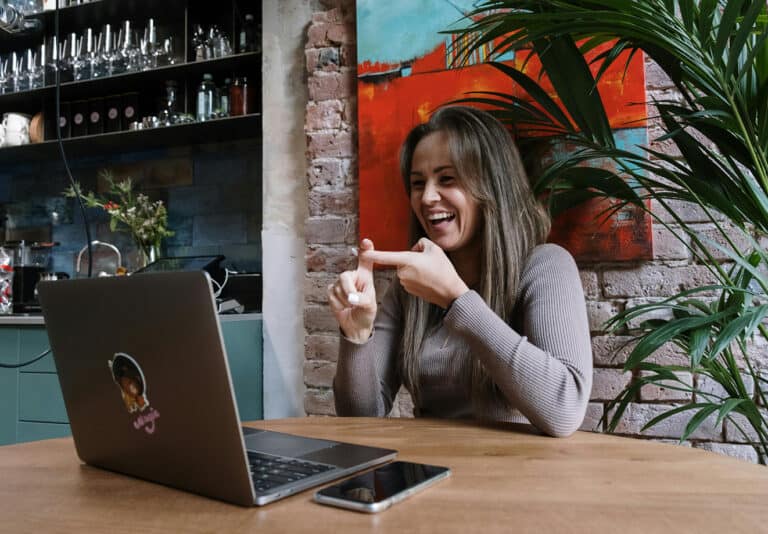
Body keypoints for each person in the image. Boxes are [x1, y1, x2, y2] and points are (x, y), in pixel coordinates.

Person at [328, 106, 592, 437]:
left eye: (447, 179)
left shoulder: (545, 266)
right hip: (431, 476)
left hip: (523, 479)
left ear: (491, 185)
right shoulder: (408, 290)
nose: (427, 197)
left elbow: (565, 411)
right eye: (417, 183)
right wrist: (356, 335)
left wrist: (456, 300)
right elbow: (361, 420)